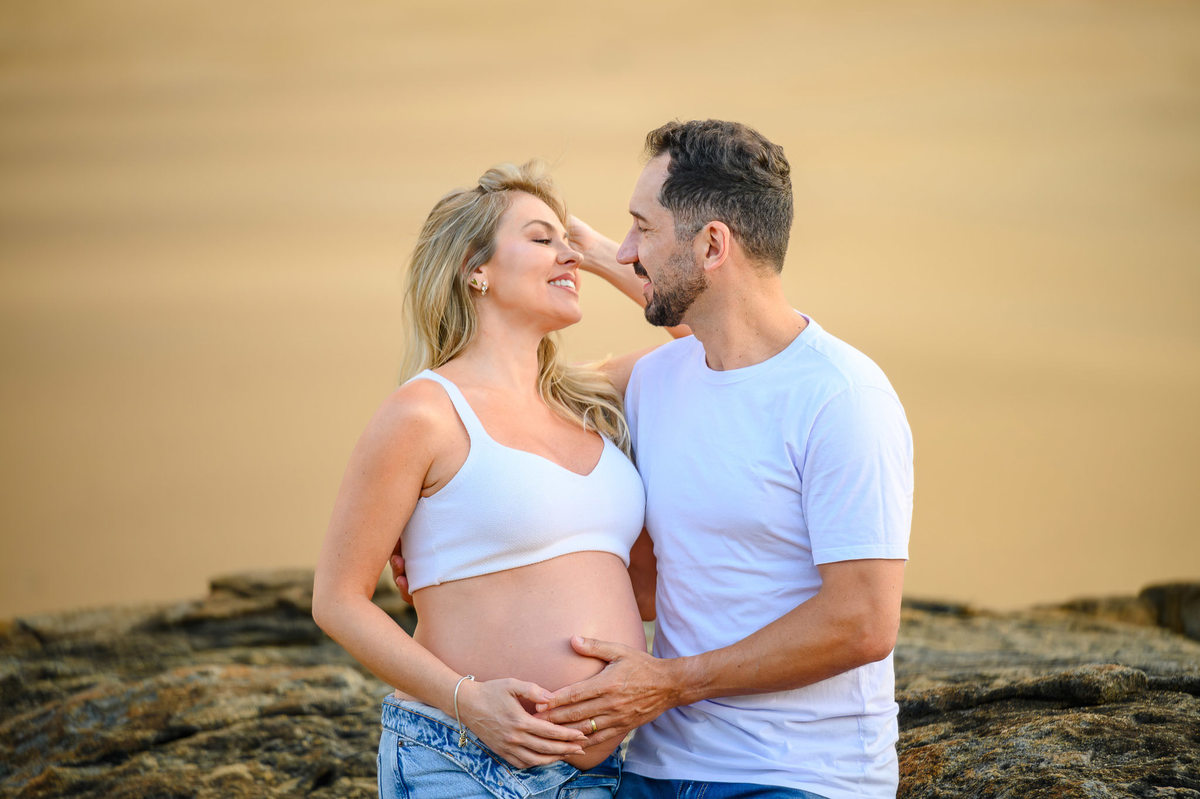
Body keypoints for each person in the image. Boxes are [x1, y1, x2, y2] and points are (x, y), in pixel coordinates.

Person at [528, 120, 915, 799]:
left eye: (641, 228)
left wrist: (669, 683)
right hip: (655, 770)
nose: (626, 249)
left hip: (800, 777)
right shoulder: (653, 381)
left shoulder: (842, 397)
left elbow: (862, 623)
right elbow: (515, 405)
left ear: (712, 245)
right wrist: (441, 542)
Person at [312, 161, 663, 798]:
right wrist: (468, 702)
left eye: (567, 241)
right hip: (464, 761)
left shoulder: (590, 397)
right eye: (541, 238)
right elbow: (338, 600)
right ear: (476, 268)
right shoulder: (424, 413)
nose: (568, 256)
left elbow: (714, 335)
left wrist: (602, 255)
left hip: (602, 772)